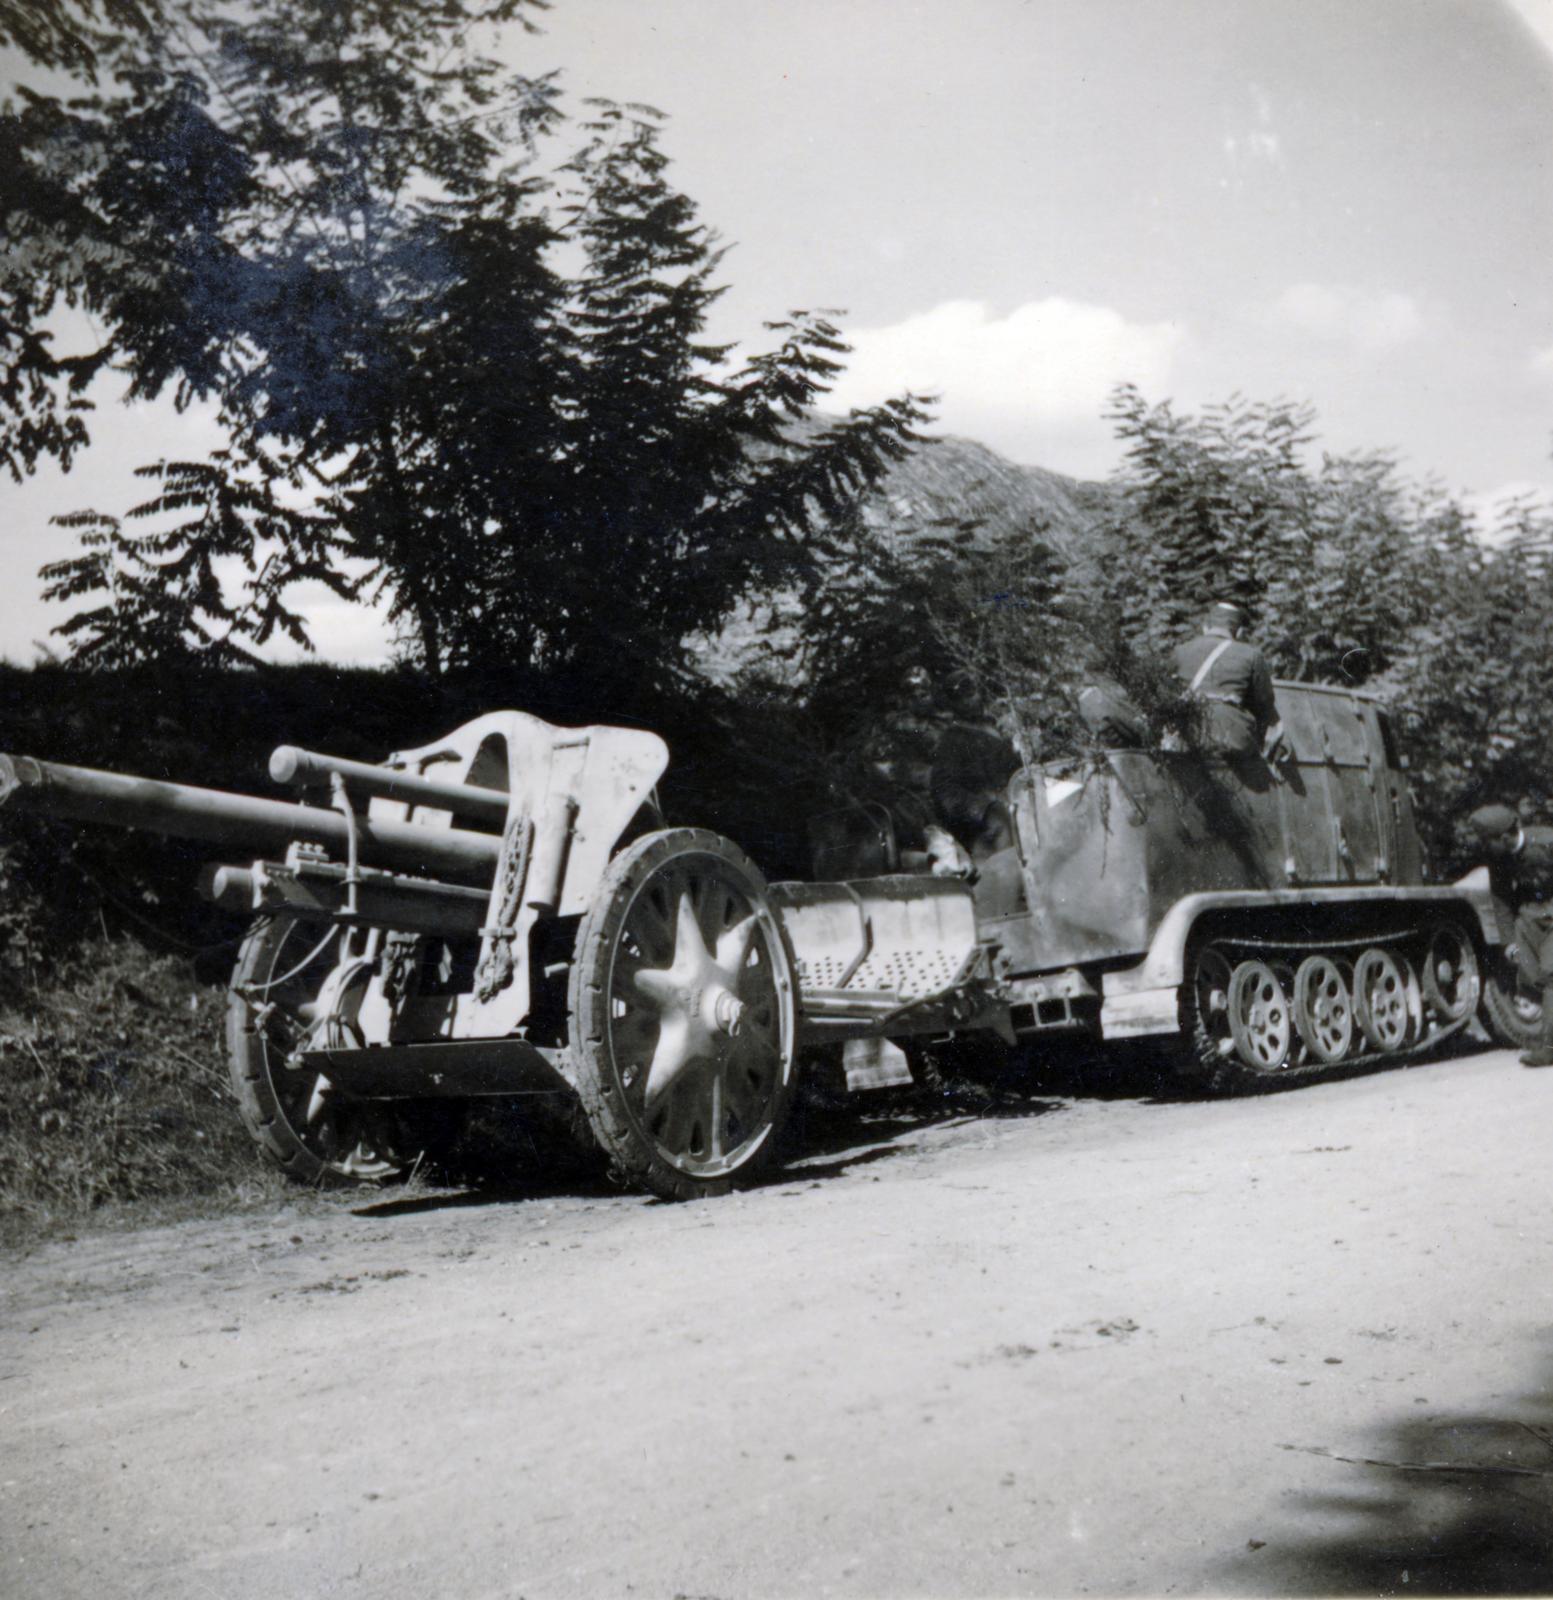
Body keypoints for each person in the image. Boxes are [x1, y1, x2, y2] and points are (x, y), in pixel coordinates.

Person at [1469, 803, 1553, 1067]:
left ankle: (1549, 1047)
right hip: (1528, 916)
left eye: (1487, 840)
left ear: (1505, 836)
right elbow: (1501, 900)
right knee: (1532, 976)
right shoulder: (1498, 857)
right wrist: (1509, 942)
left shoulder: (1547, 841)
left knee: (1551, 973)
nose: (1484, 847)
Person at [1172, 599, 1287, 763]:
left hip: (1185, 737)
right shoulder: (1251, 655)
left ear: (1205, 627)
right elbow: (1264, 704)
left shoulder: (1179, 651)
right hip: (1232, 739)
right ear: (1239, 632)